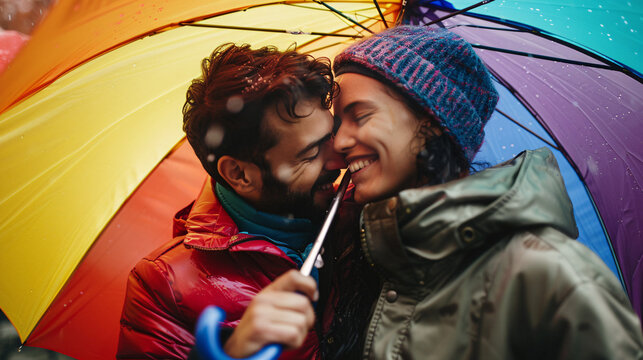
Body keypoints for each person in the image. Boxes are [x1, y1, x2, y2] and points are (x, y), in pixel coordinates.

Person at [321, 25, 643, 359]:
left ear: (432, 120)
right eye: (338, 124)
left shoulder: (548, 277)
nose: (341, 142)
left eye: (360, 116)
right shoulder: (363, 260)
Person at [117, 43, 348, 359]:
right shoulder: (163, 287)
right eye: (310, 154)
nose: (340, 159)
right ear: (240, 174)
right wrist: (231, 354)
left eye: (332, 134)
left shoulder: (364, 216)